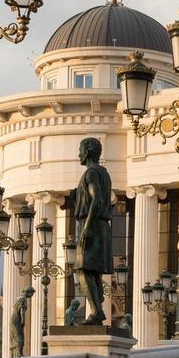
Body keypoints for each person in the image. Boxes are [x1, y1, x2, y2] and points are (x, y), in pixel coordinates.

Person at [74, 137, 113, 324]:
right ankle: (98, 308)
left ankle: (97, 311)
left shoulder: (91, 173)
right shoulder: (104, 173)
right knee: (94, 271)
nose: (78, 154)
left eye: (80, 150)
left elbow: (96, 199)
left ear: (88, 152)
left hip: (93, 224)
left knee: (83, 270)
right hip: (102, 225)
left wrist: (86, 228)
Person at [9, 287, 35, 358]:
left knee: (14, 338)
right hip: (17, 319)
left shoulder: (18, 298)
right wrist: (23, 320)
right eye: (32, 294)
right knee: (20, 337)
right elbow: (22, 310)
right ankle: (20, 354)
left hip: (12, 320)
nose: (32, 296)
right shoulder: (23, 299)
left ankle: (14, 355)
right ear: (29, 292)